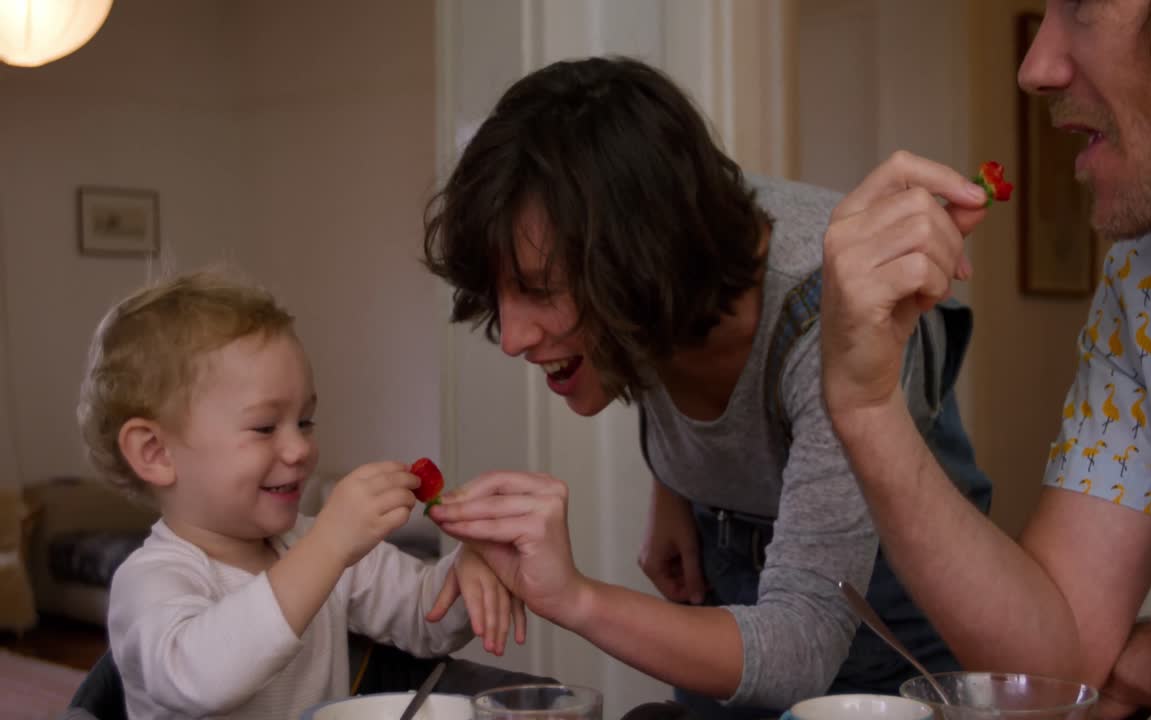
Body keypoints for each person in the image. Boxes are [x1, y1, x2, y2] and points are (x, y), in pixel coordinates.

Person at [422, 55, 992, 716]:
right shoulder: (666, 238)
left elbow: (799, 649)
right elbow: (645, 329)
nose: (513, 337)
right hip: (725, 588)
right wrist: (677, 483)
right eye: (500, 293)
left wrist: (573, 596)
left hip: (883, 617)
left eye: (540, 290)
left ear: (643, 259)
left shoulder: (828, 316)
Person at [817, 1, 1151, 718]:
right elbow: (1056, 665)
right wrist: (868, 406)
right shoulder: (1150, 275)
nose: (1035, 67)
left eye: (1084, 5)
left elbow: (1086, 667)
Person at [76, 269, 524, 719]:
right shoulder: (149, 581)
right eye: (264, 427)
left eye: (305, 422)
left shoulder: (319, 546)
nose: (300, 449)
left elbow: (425, 620)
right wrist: (328, 546)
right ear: (155, 453)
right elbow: (200, 679)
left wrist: (469, 569)